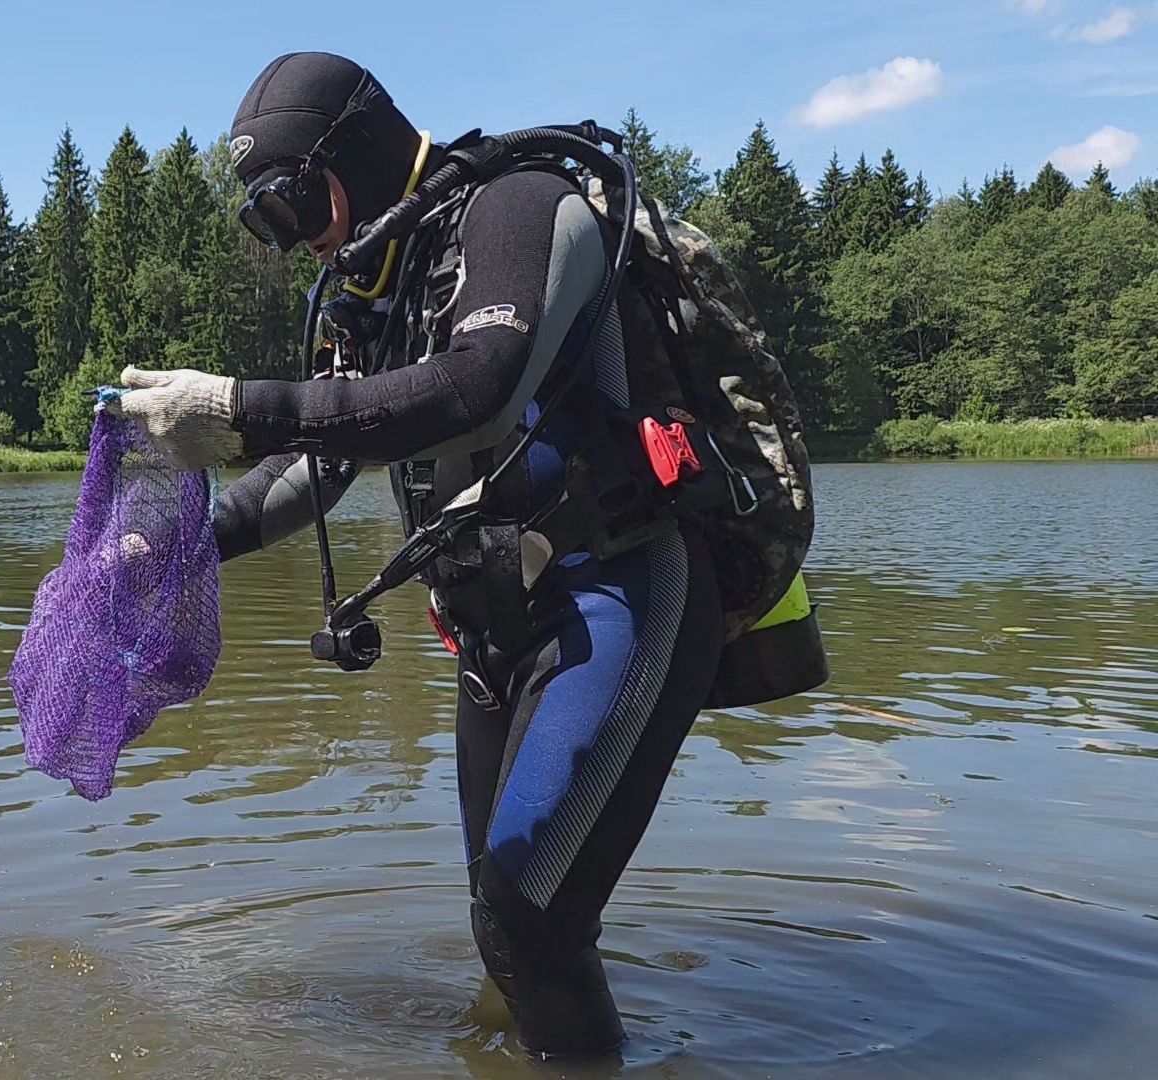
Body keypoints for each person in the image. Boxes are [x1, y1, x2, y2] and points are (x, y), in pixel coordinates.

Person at [108, 52, 770, 1057]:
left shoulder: (519, 209)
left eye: (290, 206)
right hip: (489, 628)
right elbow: (313, 471)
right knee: (499, 920)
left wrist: (241, 408)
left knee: (528, 922)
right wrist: (178, 545)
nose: (295, 245)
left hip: (617, 593)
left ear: (357, 156)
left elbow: (481, 386)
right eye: (267, 225)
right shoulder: (365, 296)